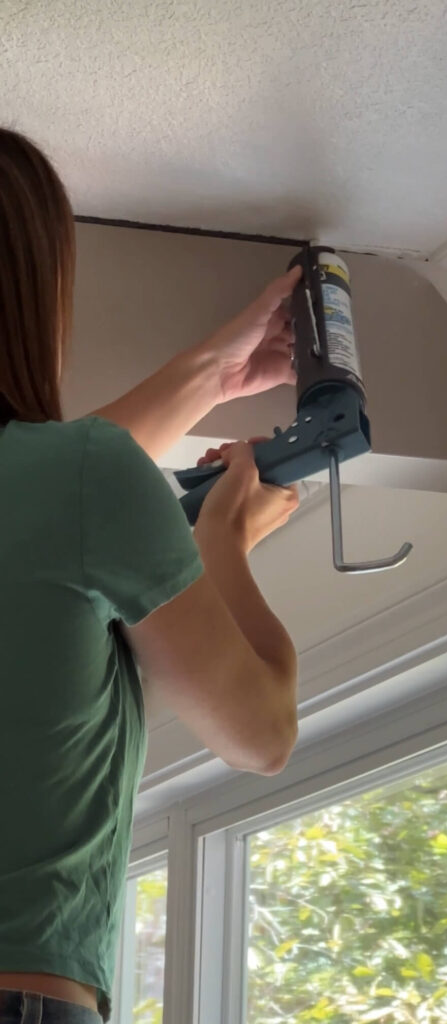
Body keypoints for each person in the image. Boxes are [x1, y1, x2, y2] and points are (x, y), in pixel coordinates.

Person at [0, 127, 300, 1024]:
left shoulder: (71, 481)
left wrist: (210, 374)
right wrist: (225, 548)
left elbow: (54, 491)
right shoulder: (76, 478)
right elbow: (262, 734)